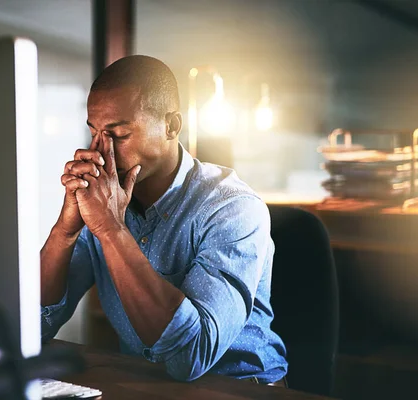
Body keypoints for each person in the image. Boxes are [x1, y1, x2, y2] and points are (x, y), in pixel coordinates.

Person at [40, 55, 288, 384]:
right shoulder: (103, 201)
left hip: (242, 390)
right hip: (147, 386)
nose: (101, 152)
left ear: (171, 126)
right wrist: (65, 231)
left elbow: (190, 356)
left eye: (119, 135)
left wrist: (111, 230)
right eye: (95, 133)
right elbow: (32, 325)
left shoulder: (233, 208)